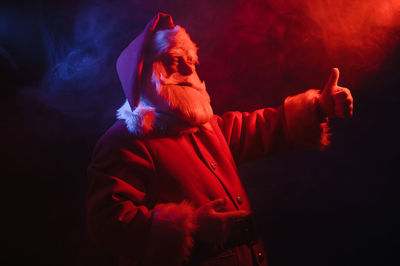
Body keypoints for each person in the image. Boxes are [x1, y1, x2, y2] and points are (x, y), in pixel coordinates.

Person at [86, 13, 353, 266]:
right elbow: (107, 222)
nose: (189, 67)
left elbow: (260, 128)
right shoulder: (125, 143)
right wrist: (190, 228)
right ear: (144, 72)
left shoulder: (208, 127)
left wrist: (318, 107)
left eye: (191, 58)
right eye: (175, 58)